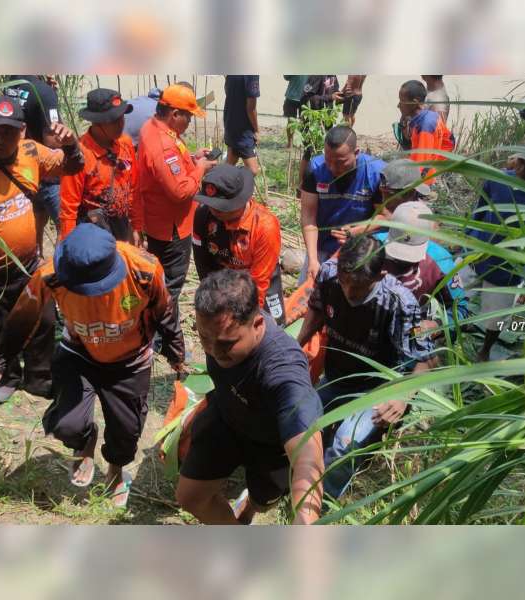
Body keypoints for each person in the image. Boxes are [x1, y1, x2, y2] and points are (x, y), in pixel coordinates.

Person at [0, 224, 186, 508]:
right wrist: (2, 358)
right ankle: (85, 442)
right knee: (67, 425)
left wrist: (175, 351)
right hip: (79, 354)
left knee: (126, 432)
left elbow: (165, 310)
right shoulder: (51, 274)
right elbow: (24, 315)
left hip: (130, 361)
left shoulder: (144, 269)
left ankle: (116, 471)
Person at [0, 95, 84, 404]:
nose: (0, 138)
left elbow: (73, 167)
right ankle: (6, 376)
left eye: (8, 131)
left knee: (44, 321)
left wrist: (71, 143)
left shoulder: (31, 152)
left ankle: (39, 376)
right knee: (1, 329)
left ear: (22, 131)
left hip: (29, 264)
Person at [175, 269, 324, 524]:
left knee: (261, 500)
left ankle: (250, 509)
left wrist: (306, 520)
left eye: (226, 343)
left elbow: (307, 455)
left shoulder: (282, 369)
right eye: (204, 338)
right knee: (190, 497)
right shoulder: (219, 331)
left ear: (258, 324)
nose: (212, 351)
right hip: (227, 419)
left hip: (271, 443)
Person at [296, 235, 438, 499]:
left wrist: (402, 397)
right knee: (301, 421)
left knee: (344, 445)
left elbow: (426, 358)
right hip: (337, 375)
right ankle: (299, 479)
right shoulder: (328, 273)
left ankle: (323, 498)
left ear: (380, 276)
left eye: (359, 287)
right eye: (345, 282)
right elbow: (316, 309)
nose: (349, 292)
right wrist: (297, 346)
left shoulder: (401, 302)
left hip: (375, 388)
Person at [464, 139, 525, 362]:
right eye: (523, 162)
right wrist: (466, 238)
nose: (524, 170)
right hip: (477, 254)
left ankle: (485, 350)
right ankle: (451, 326)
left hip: (508, 269)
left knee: (495, 317)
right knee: (457, 293)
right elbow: (480, 209)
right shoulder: (497, 180)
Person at [136, 84, 218, 335]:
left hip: (158, 220)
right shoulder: (163, 145)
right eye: (189, 116)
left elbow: (167, 172)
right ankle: (163, 338)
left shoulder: (153, 127)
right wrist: (202, 169)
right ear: (174, 114)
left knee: (160, 281)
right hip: (172, 228)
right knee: (169, 286)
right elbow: (180, 191)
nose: (190, 122)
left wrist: (192, 159)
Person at [192, 164, 286, 325]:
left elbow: (259, 282)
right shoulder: (202, 216)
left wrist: (247, 322)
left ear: (240, 201)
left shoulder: (264, 226)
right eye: (211, 204)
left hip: (260, 283)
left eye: (220, 207)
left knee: (269, 328)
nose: (214, 210)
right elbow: (203, 265)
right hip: (223, 281)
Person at [299, 125, 386, 282]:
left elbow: (386, 217)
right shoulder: (315, 170)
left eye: (340, 162)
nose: (332, 167)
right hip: (322, 246)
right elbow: (308, 217)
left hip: (359, 249)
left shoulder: (375, 173)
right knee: (307, 290)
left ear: (357, 153)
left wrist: (357, 231)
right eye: (328, 160)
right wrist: (313, 259)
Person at [59, 88, 140, 243]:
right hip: (93, 236)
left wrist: (136, 226)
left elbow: (134, 188)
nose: (121, 124)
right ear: (97, 122)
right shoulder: (80, 155)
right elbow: (68, 209)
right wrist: (70, 248)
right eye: (114, 120)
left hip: (122, 228)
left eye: (122, 117)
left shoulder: (125, 144)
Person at [383, 201, 470, 338]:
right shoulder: (369, 246)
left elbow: (461, 309)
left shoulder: (440, 261)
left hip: (409, 333)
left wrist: (437, 325)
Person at [4, 76, 64, 257]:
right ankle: (60, 272)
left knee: (37, 218)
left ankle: (34, 263)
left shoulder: (9, 85)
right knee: (66, 225)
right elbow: (53, 139)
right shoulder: (43, 92)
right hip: (47, 173)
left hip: (22, 170)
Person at [397, 80, 455, 181]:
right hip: (428, 171)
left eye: (402, 101)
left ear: (414, 103)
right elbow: (449, 141)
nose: (398, 105)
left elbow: (419, 167)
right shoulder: (428, 116)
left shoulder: (425, 127)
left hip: (422, 182)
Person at [297, 75, 341, 185]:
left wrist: (343, 96)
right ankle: (301, 184)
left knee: (325, 150)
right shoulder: (316, 76)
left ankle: (320, 182)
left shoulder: (333, 76)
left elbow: (334, 94)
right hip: (311, 119)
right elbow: (307, 98)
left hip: (326, 119)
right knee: (309, 151)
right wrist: (330, 97)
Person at [223, 75, 260, 176]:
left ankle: (221, 185)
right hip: (243, 129)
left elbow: (227, 90)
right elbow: (251, 108)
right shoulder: (252, 75)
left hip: (230, 121)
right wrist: (256, 130)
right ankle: (236, 187)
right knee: (253, 170)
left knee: (230, 162)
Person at [282, 75, 308, 147]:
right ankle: (291, 144)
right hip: (293, 97)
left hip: (302, 98)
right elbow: (286, 76)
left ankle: (300, 143)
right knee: (292, 121)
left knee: (302, 122)